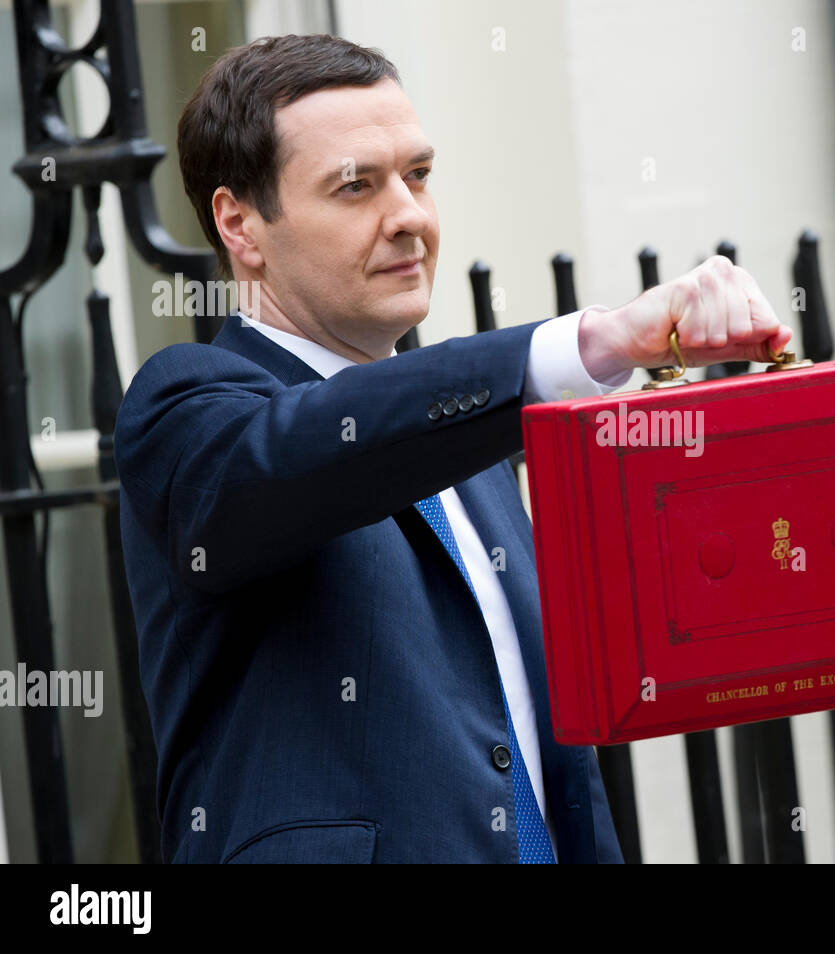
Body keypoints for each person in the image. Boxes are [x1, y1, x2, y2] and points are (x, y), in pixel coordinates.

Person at [115, 33, 793, 863]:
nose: (408, 215)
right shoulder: (187, 406)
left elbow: (551, 761)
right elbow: (314, 449)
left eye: (419, 175)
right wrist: (596, 342)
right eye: (356, 186)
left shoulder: (469, 443)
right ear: (241, 225)